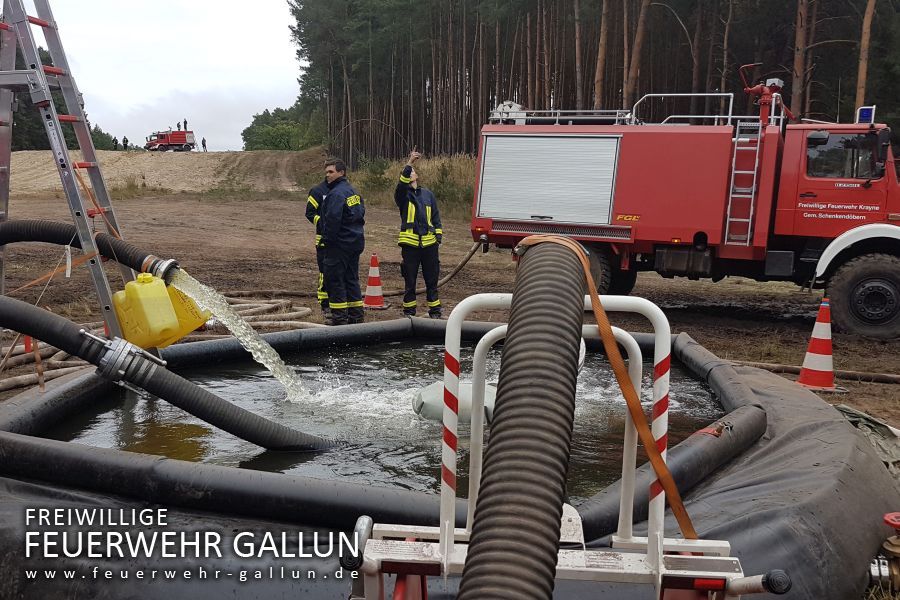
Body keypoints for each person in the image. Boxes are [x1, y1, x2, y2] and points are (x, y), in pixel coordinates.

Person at [394, 149, 443, 318]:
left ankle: (435, 311)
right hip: (410, 245)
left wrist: (438, 236)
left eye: (413, 171)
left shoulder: (428, 194)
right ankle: (409, 313)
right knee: (410, 281)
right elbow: (401, 183)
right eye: (409, 172)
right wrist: (410, 162)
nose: (411, 173)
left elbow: (435, 216)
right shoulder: (402, 195)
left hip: (429, 245)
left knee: (432, 280)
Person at [320, 158, 365, 326]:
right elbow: (360, 214)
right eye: (326, 172)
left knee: (334, 279)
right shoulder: (353, 192)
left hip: (339, 244)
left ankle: (339, 318)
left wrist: (328, 241)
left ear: (341, 172)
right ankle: (356, 316)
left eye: (331, 172)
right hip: (355, 241)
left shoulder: (336, 194)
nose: (327, 176)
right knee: (351, 279)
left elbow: (332, 220)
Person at [305, 178, 330, 319]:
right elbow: (309, 213)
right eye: (328, 171)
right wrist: (323, 222)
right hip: (323, 239)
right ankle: (324, 303)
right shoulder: (318, 191)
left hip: (341, 239)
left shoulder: (342, 190)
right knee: (324, 272)